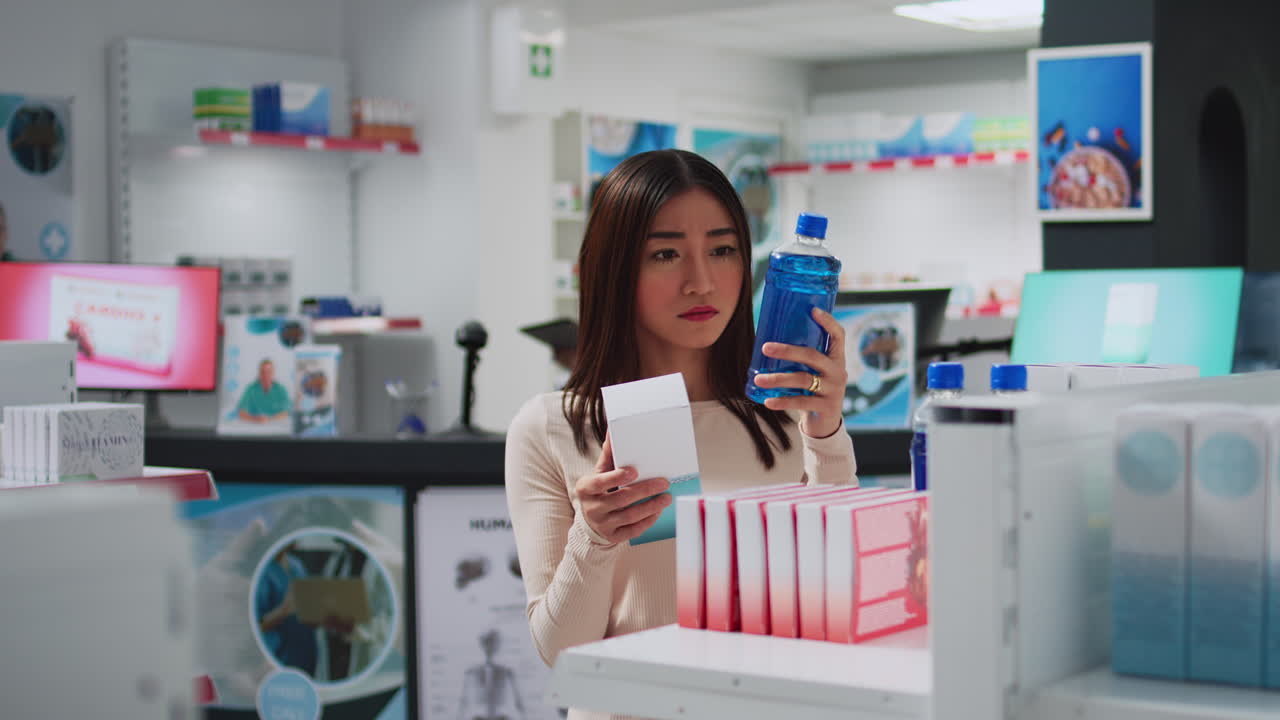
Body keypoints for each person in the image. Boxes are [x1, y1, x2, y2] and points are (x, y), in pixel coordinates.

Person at [504, 150, 857, 718]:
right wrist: (593, 539)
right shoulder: (554, 427)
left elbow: (837, 594)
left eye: (722, 250)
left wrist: (826, 432)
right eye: (665, 254)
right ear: (615, 270)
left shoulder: (783, 416)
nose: (701, 281)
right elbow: (563, 653)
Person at [255, 543, 320, 677]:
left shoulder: (296, 564)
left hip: (304, 654)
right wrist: (284, 611)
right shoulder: (261, 570)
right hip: (278, 657)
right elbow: (256, 625)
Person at [457, 629, 527, 720]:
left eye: (493, 644)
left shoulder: (507, 672)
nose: (490, 647)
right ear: (483, 645)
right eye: (488, 644)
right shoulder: (471, 672)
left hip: (500, 716)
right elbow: (464, 702)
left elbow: (518, 702)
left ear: (497, 646)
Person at [237, 358, 291, 423]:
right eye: (263, 372)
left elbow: (287, 412)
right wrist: (255, 419)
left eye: (269, 372)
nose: (266, 375)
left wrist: (270, 419)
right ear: (259, 373)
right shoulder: (251, 389)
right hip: (254, 426)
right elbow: (241, 412)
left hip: (275, 425)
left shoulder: (280, 389)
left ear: (273, 373)